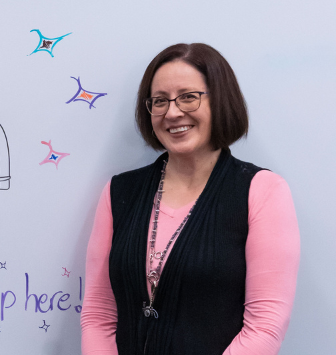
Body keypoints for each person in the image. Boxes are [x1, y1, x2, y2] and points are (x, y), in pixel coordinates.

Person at [80, 43, 300, 354]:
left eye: (188, 97)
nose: (172, 112)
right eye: (159, 101)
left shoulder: (262, 191)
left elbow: (266, 324)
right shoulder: (119, 192)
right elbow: (99, 314)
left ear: (220, 100)